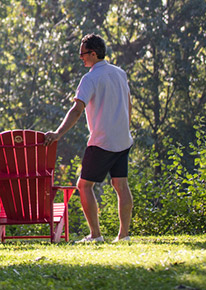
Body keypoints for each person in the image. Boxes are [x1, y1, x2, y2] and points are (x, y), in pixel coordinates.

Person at [44, 33, 133, 243]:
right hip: (122, 139)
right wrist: (125, 128)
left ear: (93, 53)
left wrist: (57, 134)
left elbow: (76, 110)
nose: (81, 58)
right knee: (121, 185)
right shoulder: (120, 73)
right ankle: (124, 235)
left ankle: (95, 235)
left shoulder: (90, 78)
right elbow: (128, 104)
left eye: (83, 54)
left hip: (102, 141)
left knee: (84, 186)